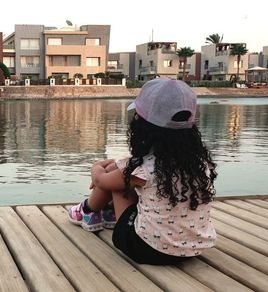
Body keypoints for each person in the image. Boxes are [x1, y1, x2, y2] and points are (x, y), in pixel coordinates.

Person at [68, 78, 217, 265]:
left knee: (118, 184)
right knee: (123, 172)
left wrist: (96, 166)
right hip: (195, 248)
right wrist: (117, 165)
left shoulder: (143, 169)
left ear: (141, 124)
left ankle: (89, 211)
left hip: (146, 249)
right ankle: (105, 211)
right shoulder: (200, 165)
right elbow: (128, 168)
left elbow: (101, 181)